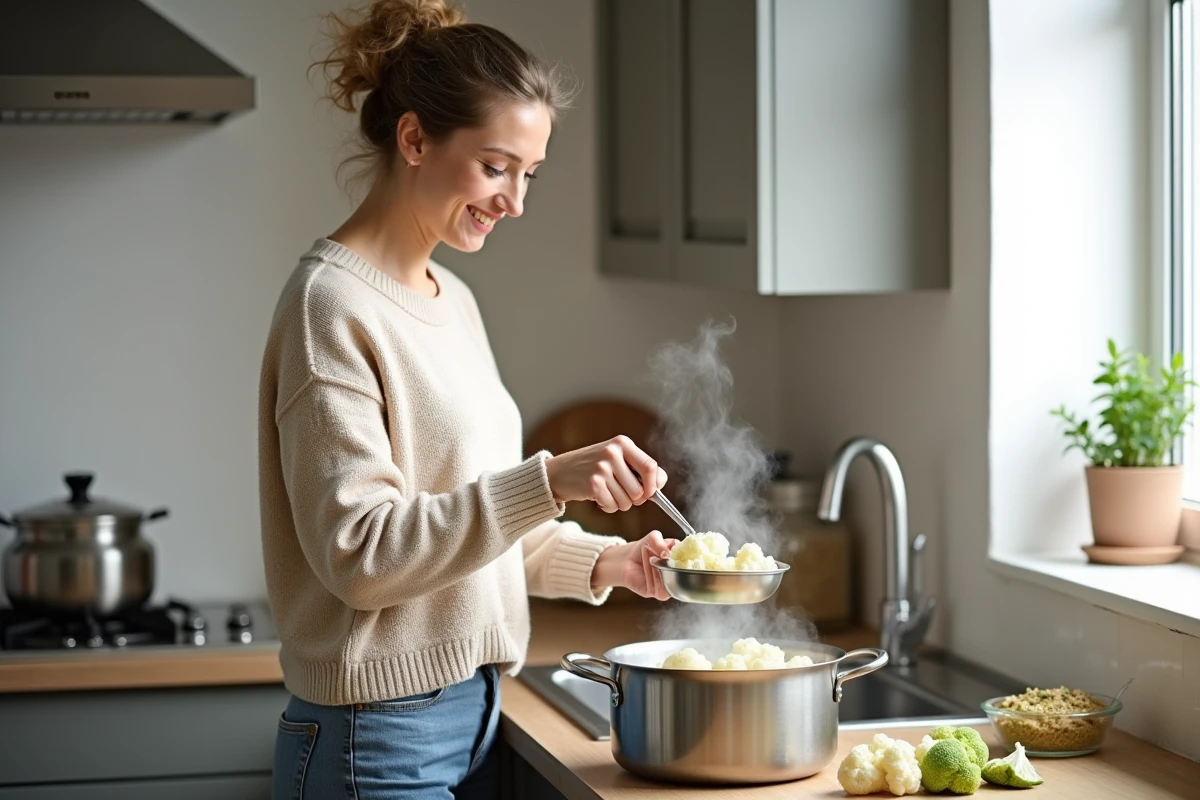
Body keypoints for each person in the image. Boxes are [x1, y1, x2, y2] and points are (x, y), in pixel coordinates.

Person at [257, 0, 679, 797]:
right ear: (414, 139)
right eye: (496, 166)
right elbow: (363, 557)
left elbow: (483, 534)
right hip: (374, 737)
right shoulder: (331, 306)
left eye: (530, 173)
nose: (515, 201)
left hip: (476, 715)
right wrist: (551, 480)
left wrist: (615, 562)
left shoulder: (452, 298)